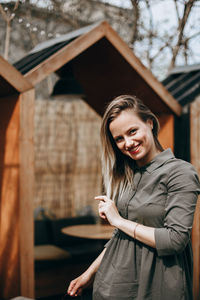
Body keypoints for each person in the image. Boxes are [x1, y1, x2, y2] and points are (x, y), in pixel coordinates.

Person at [67, 95, 200, 300]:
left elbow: (175, 240)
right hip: (113, 286)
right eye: (119, 139)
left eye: (132, 131)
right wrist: (89, 274)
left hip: (157, 286)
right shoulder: (126, 175)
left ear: (150, 123)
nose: (128, 143)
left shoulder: (180, 173)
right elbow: (121, 235)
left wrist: (118, 220)